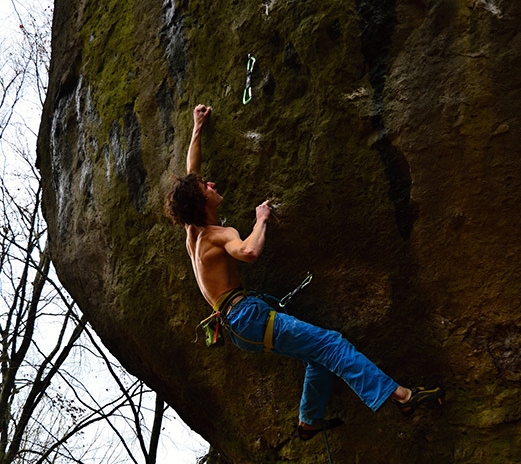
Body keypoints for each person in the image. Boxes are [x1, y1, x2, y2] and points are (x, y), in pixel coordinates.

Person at [165, 104, 443, 440]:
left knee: (317, 354)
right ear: (202, 202)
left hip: (238, 324)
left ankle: (308, 421)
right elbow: (249, 251)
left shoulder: (192, 233)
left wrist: (197, 128)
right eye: (206, 187)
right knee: (331, 343)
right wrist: (261, 219)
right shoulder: (218, 235)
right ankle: (401, 396)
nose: (211, 183)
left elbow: (190, 169)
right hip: (247, 316)